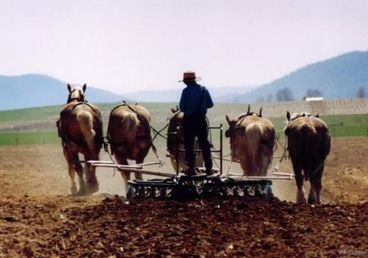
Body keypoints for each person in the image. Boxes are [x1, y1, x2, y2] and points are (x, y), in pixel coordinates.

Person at [179, 71, 214, 176]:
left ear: (186, 81)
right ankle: (209, 168)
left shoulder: (185, 91)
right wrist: (202, 106)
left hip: (189, 121)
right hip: (201, 120)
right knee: (204, 144)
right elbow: (210, 104)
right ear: (194, 80)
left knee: (189, 144)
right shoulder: (204, 90)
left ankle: (191, 168)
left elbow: (182, 107)